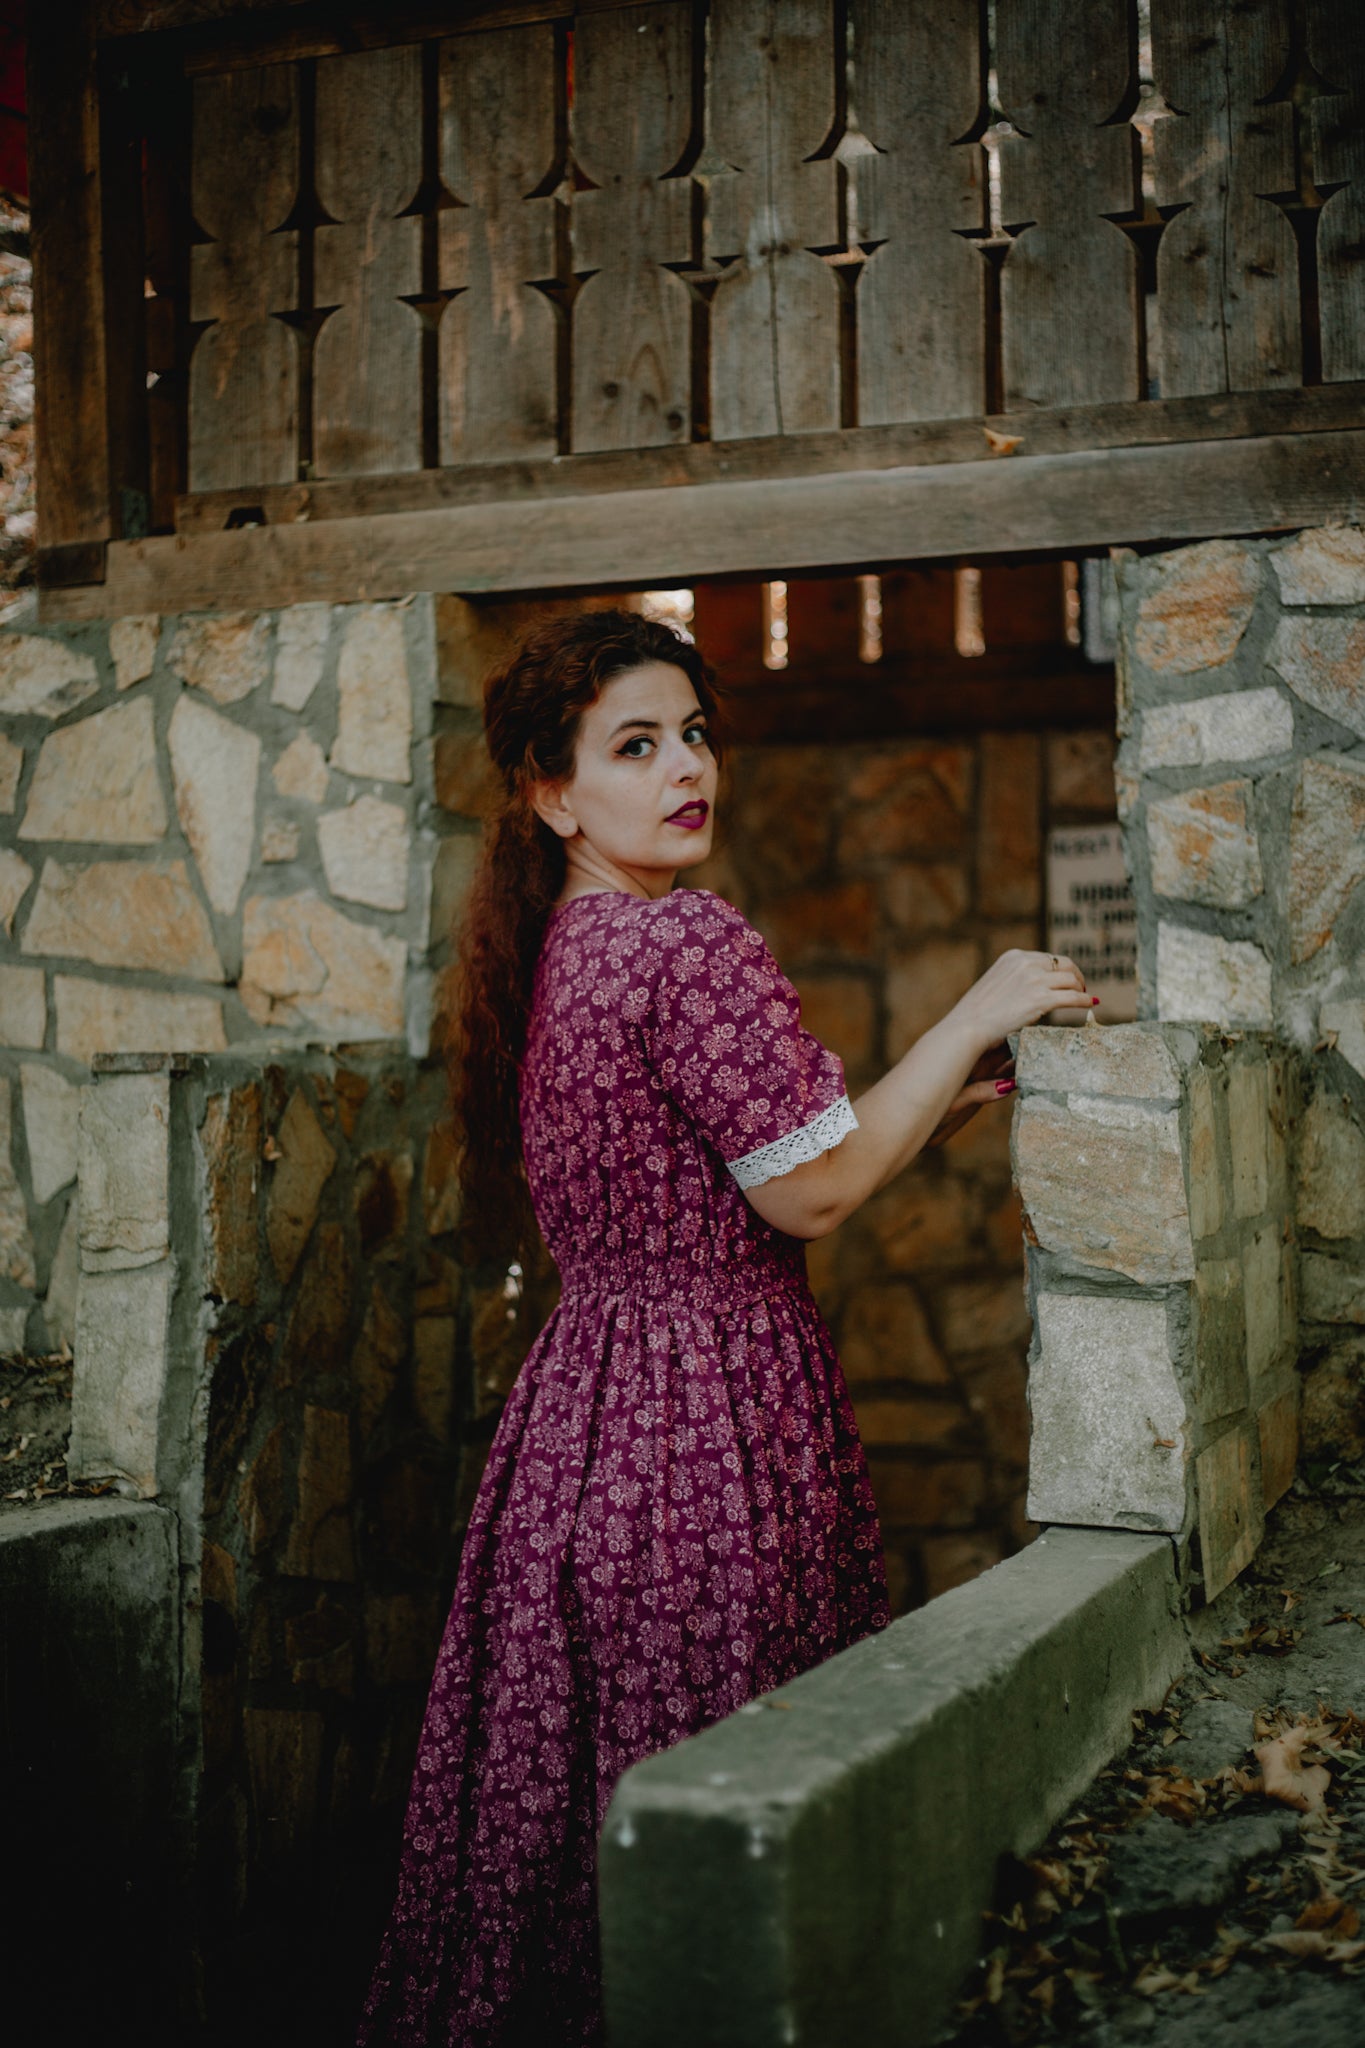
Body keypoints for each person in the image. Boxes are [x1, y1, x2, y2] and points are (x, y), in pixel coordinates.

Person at [359, 610, 1093, 2046]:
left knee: (579, 1832)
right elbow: (811, 1192)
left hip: (580, 1438)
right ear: (550, 790)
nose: (685, 769)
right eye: (634, 746)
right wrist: (975, 1010)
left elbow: (743, 1170)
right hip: (705, 1441)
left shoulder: (562, 953)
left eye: (693, 735)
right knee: (738, 1816)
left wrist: (928, 1103)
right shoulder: (678, 941)